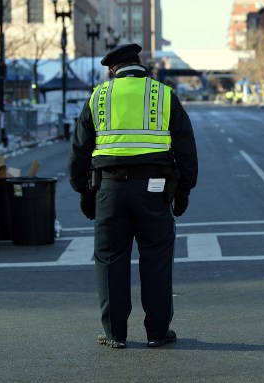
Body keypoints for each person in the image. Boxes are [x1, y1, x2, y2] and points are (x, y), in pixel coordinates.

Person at [68, 43, 198, 349]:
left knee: (111, 259)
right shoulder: (164, 95)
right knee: (156, 259)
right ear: (139, 63)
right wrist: (183, 192)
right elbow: (186, 149)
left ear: (113, 70)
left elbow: (79, 153)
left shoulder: (99, 97)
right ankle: (157, 332)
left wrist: (85, 193)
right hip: (154, 191)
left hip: (109, 190)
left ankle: (114, 333)